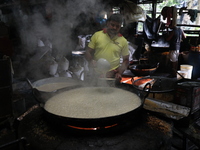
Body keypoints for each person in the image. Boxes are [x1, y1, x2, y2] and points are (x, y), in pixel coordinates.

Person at [85, 14, 129, 80]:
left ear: (120, 27)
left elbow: (126, 60)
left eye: (117, 26)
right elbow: (88, 52)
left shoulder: (123, 41)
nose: (114, 28)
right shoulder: (97, 35)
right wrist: (91, 60)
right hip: (97, 74)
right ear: (107, 23)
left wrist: (119, 72)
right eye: (112, 25)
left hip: (112, 75)